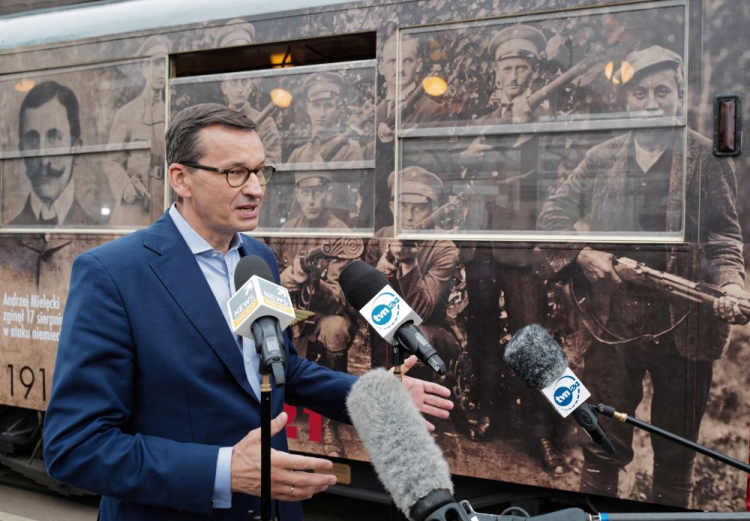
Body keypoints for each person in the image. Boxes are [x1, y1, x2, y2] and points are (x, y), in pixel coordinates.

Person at [43, 103, 453, 521]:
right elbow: (75, 445)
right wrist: (222, 471)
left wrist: (375, 396)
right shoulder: (112, 274)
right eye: (235, 172)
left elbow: (281, 368)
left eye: (260, 171)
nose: (256, 188)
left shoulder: (256, 258)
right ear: (181, 179)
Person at [537, 46, 747, 506]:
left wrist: (732, 284)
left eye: (661, 91)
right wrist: (583, 252)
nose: (651, 101)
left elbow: (725, 238)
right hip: (613, 326)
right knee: (602, 445)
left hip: (685, 325)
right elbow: (552, 216)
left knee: (675, 455)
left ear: (679, 95)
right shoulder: (600, 157)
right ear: (625, 99)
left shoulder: (707, 158)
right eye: (639, 93)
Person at [451, 26, 562, 473]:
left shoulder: (548, 121)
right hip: (480, 245)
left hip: (522, 247)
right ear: (497, 73)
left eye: (521, 67)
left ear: (534, 72)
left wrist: (527, 124)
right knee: (480, 333)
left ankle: (542, 434)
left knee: (531, 337)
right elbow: (465, 160)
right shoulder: (484, 120)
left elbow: (553, 173)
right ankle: (492, 414)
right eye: (507, 67)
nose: (514, 75)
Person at [269, 171, 362, 457]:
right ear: (297, 194)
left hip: (323, 316)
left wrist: (315, 283)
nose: (311, 200)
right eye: (305, 192)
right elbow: (268, 281)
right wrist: (288, 277)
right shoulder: (286, 230)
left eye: (318, 192)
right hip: (291, 313)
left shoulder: (341, 235)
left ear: (328, 193)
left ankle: (330, 421)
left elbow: (342, 299)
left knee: (336, 330)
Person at [365, 167, 461, 380]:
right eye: (402, 207)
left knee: (413, 334)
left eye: (418, 209)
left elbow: (422, 313)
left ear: (431, 210)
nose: (408, 217)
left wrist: (409, 265)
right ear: (391, 207)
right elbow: (360, 303)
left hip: (433, 336)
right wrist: (377, 276)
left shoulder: (444, 248)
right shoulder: (381, 237)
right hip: (387, 334)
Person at [9, 81, 98, 227]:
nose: (43, 158)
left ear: (76, 149)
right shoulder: (6, 237)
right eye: (32, 140)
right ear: (21, 151)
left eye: (54, 138)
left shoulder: (101, 236)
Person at [106, 35, 170, 227]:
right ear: (144, 69)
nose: (161, 70)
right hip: (133, 208)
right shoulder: (126, 112)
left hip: (164, 205)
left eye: (164, 64)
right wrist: (125, 186)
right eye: (155, 64)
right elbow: (112, 161)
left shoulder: (170, 114)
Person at [288, 71, 363, 225]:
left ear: (337, 108)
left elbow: (354, 197)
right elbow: (289, 198)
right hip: (299, 233)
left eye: (328, 106)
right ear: (308, 107)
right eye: (316, 105)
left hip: (334, 233)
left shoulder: (350, 149)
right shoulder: (299, 154)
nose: (322, 113)